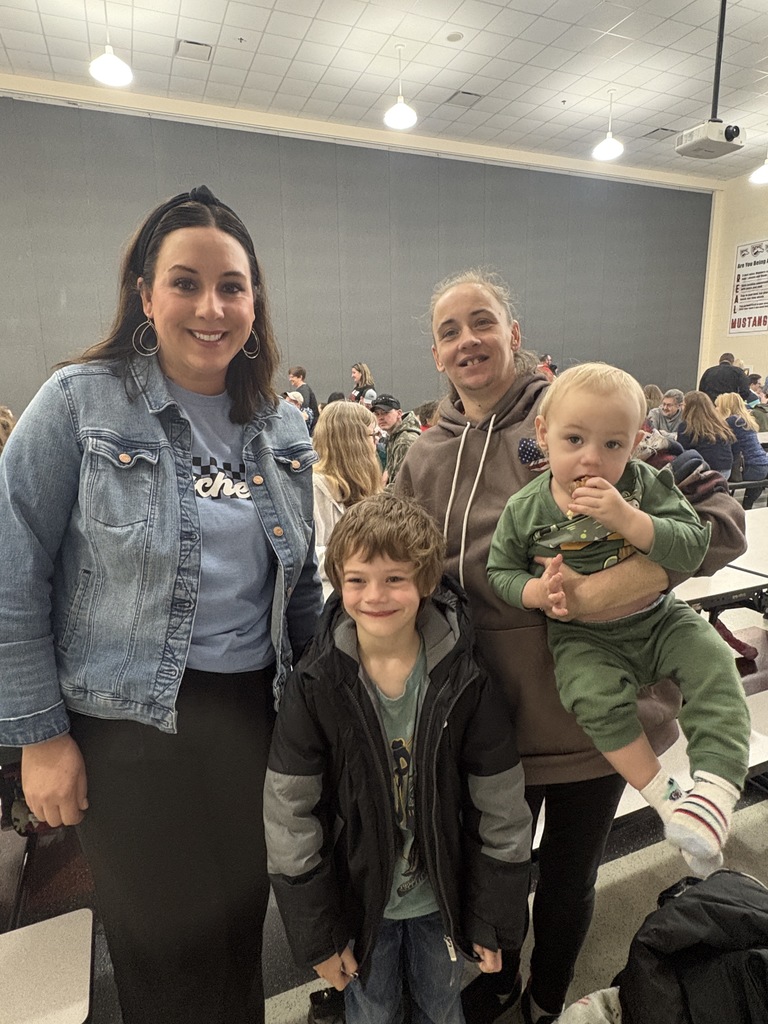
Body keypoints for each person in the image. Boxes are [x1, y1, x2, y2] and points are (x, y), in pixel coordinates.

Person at [0, 186, 323, 1024]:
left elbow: (302, 591)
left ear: (255, 300)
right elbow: (11, 576)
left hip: (255, 717)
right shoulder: (78, 403)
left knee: (238, 932)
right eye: (185, 282)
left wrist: (334, 707)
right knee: (162, 952)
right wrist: (39, 737)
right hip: (127, 729)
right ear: (145, 294)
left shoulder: (282, 428)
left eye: (232, 286)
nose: (211, 307)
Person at [395, 268, 745, 1024]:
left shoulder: (585, 413)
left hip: (594, 718)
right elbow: (388, 567)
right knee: (494, 872)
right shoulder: (421, 457)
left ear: (513, 335)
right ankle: (496, 988)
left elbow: (720, 520)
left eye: (482, 321)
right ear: (435, 354)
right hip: (482, 724)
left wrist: (614, 587)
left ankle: (548, 998)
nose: (469, 341)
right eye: (450, 331)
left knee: (569, 877)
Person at [264, 492, 531, 1024]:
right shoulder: (315, 684)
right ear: (338, 580)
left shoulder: (467, 680)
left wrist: (490, 917)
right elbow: (289, 814)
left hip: (442, 898)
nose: (375, 595)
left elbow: (501, 805)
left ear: (426, 583)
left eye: (395, 579)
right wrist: (320, 935)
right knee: (373, 1009)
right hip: (359, 901)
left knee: (440, 1005)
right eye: (358, 579)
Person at [487, 362, 749, 880]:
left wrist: (629, 519)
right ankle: (668, 799)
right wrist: (537, 591)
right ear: (544, 434)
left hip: (659, 618)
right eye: (575, 439)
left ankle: (716, 788)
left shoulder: (645, 483)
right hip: (583, 638)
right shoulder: (525, 508)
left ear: (635, 443)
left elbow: (695, 541)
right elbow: (501, 571)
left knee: (717, 666)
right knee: (593, 699)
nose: (592, 457)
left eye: (613, 444)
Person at [311, 402, 382, 598]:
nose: (376, 442)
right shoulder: (312, 488)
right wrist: (363, 557)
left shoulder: (370, 488)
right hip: (329, 598)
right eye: (372, 435)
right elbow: (308, 558)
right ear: (354, 441)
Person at [715, 391, 768, 509]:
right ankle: (746, 507)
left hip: (748, 468)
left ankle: (727, 509)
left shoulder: (731, 421)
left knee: (718, 474)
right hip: (762, 466)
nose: (716, 409)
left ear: (725, 407)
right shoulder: (747, 420)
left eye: (718, 406)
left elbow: (718, 442)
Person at [677, 390, 735, 479]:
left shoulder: (686, 426)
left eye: (683, 405)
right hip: (726, 470)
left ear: (689, 408)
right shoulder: (719, 423)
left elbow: (681, 452)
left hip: (705, 471)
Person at [371, 393, 422, 487]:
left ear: (399, 413)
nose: (380, 418)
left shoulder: (404, 441)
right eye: (377, 414)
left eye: (385, 413)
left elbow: (401, 486)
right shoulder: (394, 437)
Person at [288, 365, 320, 431]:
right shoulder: (303, 389)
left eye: (292, 377)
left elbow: (304, 407)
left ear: (300, 377)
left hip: (311, 427)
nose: (290, 379)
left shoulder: (304, 390)